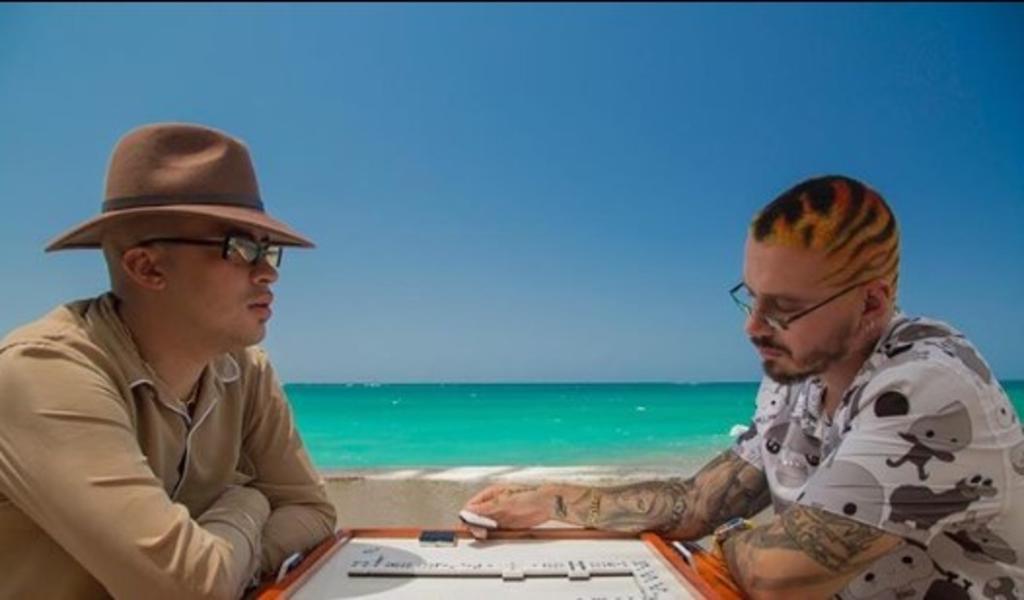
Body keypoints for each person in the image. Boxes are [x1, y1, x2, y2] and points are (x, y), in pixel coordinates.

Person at [462, 175, 1023, 599]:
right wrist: (553, 499)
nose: (752, 328)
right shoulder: (800, 373)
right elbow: (697, 502)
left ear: (871, 303)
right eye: (751, 298)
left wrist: (728, 535)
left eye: (783, 309)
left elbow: (782, 575)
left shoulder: (928, 387)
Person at [0, 123, 337, 599]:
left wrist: (223, 562)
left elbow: (312, 511)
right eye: (241, 248)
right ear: (147, 267)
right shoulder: (42, 372)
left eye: (269, 251)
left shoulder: (245, 370)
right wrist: (247, 500)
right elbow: (186, 591)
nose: (268, 272)